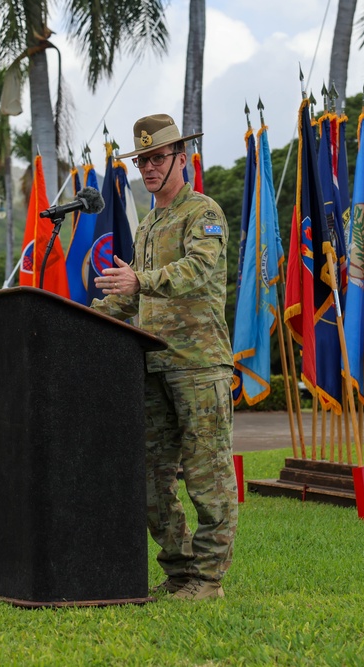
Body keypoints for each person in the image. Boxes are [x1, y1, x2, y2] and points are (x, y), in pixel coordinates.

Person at [91, 114, 238, 601]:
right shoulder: (150, 222)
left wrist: (139, 280)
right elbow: (133, 296)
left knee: (207, 476)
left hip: (199, 365)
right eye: (142, 160)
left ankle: (208, 580)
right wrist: (84, 317)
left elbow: (197, 270)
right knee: (152, 482)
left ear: (182, 158)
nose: (149, 168)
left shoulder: (204, 212)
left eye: (157, 158)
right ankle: (179, 574)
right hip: (152, 367)